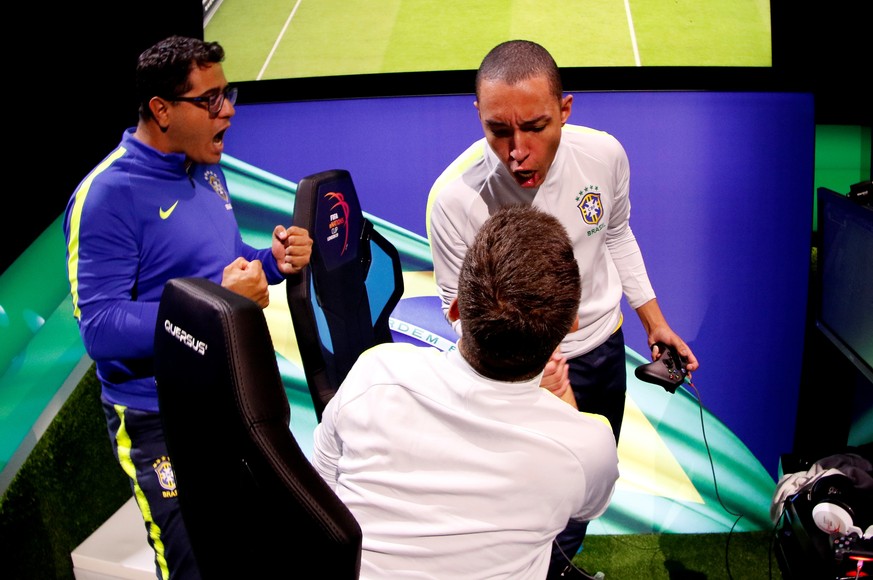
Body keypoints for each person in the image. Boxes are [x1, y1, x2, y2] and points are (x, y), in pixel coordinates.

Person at [426, 39, 700, 578]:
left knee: (580, 493)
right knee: (518, 505)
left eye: (535, 126)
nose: (517, 150)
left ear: (566, 110)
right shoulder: (453, 200)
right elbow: (457, 313)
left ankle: (558, 566)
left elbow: (616, 234)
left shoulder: (605, 155)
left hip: (600, 352)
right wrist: (529, 369)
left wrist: (655, 321)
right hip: (514, 379)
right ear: (477, 115)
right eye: (498, 131)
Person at [62, 35, 313, 580]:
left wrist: (270, 261)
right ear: (161, 110)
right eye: (211, 100)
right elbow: (100, 328)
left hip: (231, 398)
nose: (228, 111)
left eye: (228, 94)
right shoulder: (106, 195)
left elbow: (223, 268)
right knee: (194, 566)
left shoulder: (206, 167)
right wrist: (220, 302)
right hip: (158, 421)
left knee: (257, 551)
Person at [312, 205, 620, 580]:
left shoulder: (376, 373)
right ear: (572, 324)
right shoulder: (588, 444)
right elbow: (588, 508)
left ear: (455, 308)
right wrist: (561, 401)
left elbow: (321, 487)